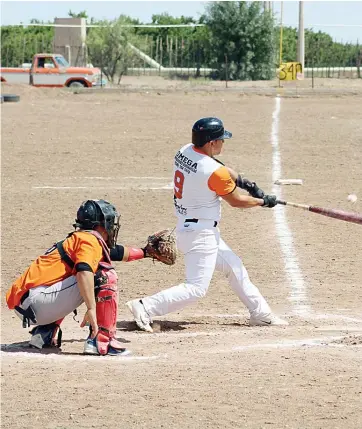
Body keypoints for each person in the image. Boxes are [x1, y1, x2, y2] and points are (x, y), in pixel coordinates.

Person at [126, 117, 288, 332]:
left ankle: (261, 314)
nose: (223, 143)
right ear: (211, 142)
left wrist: (248, 183)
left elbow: (219, 168)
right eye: (221, 139)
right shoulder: (213, 172)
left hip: (193, 227)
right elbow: (236, 201)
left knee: (234, 267)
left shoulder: (185, 151)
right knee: (196, 288)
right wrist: (263, 201)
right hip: (200, 234)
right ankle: (145, 306)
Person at [6, 199, 151, 356]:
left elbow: (114, 252)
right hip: (37, 303)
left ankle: (44, 332)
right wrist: (91, 309)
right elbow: (84, 271)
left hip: (29, 304)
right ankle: (101, 340)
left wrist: (146, 252)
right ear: (99, 224)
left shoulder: (82, 239)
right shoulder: (89, 241)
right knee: (103, 275)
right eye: (109, 221)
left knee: (80, 274)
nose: (111, 226)